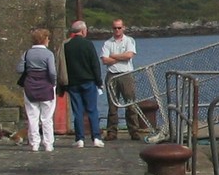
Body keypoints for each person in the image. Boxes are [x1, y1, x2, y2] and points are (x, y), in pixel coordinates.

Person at [63, 20, 104, 148]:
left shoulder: (67, 46)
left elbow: (63, 65)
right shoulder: (88, 44)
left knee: (78, 111)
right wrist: (99, 81)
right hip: (88, 81)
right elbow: (95, 64)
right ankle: (96, 137)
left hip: (73, 83)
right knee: (92, 110)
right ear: (83, 30)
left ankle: (79, 138)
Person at [16, 27, 58, 152]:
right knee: (47, 117)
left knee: (32, 116)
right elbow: (52, 72)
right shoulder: (48, 54)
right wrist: (53, 83)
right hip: (46, 86)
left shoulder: (27, 53)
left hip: (30, 86)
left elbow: (19, 69)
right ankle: (48, 143)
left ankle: (34, 143)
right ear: (45, 39)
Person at [101, 19, 137, 140]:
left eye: (119, 28)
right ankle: (111, 132)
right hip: (112, 75)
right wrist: (121, 57)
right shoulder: (107, 43)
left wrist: (113, 56)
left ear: (123, 28)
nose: (117, 30)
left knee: (130, 103)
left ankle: (134, 131)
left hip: (126, 74)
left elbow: (129, 55)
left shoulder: (129, 41)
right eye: (115, 28)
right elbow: (105, 60)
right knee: (112, 106)